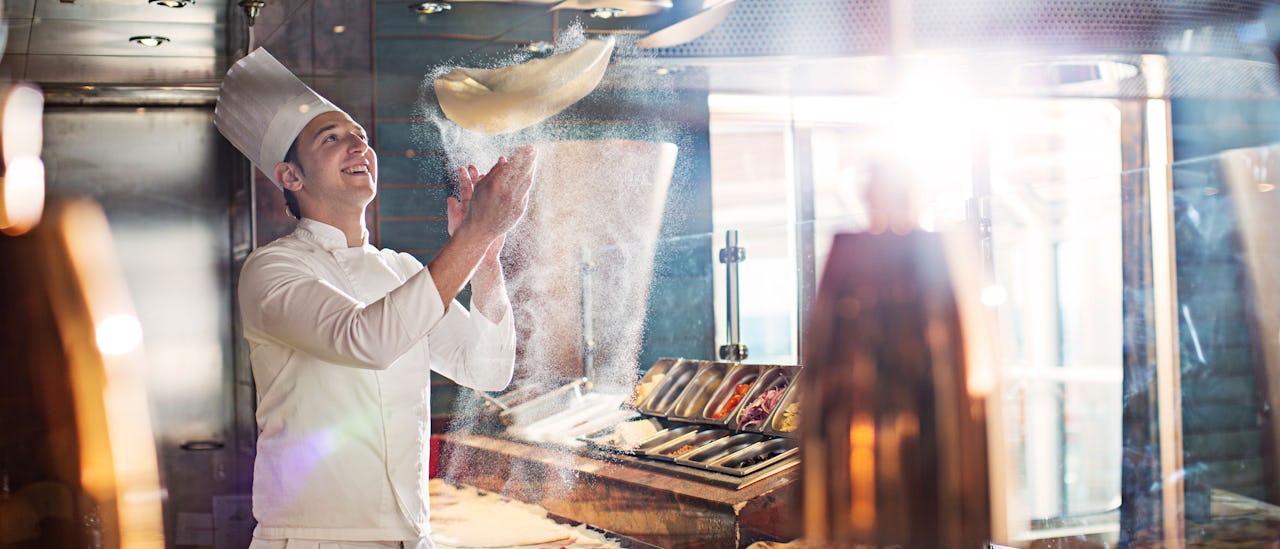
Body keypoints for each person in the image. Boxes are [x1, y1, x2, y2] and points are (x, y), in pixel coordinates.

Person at [213, 48, 536, 548]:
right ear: (290, 177)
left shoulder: (400, 269)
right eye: (332, 138)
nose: (357, 146)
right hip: (313, 540)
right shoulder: (272, 269)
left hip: (410, 536)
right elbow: (365, 340)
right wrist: (471, 237)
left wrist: (487, 260)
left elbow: (487, 370)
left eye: (361, 137)